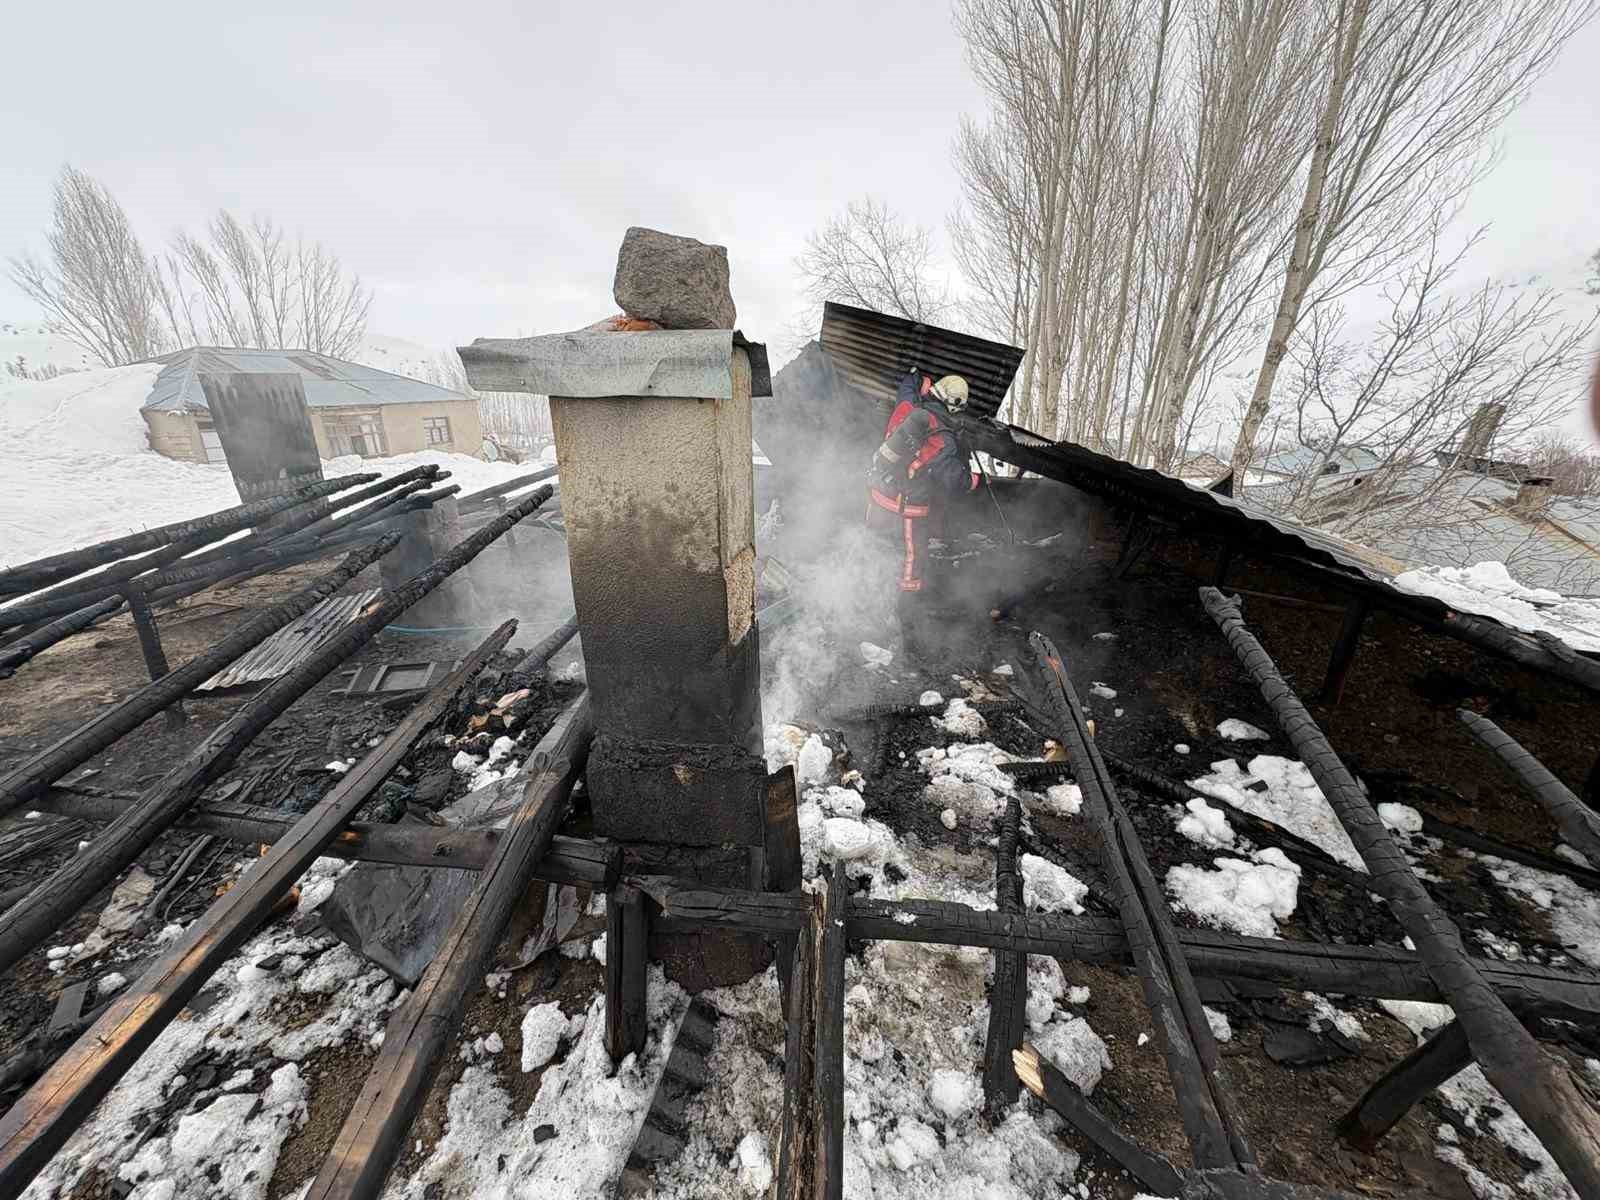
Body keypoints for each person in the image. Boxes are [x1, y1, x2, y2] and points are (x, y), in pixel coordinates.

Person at [865, 370, 978, 634]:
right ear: (955, 405)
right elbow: (950, 478)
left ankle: (860, 587)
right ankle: (904, 612)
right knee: (913, 556)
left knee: (872, 542)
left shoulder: (909, 407)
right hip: (908, 505)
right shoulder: (942, 435)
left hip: (879, 494)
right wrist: (973, 480)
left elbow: (908, 386)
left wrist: (919, 379)